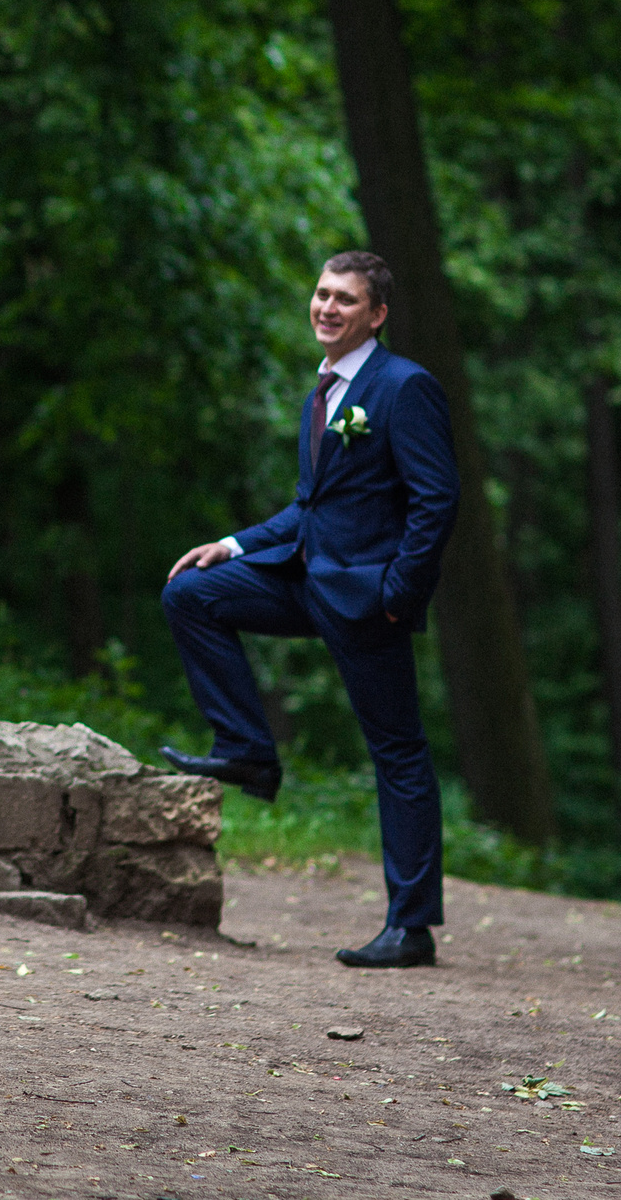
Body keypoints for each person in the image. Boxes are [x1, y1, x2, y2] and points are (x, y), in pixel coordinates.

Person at [158, 251, 456, 969]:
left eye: (345, 299)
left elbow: (436, 500)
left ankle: (409, 927)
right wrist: (232, 544)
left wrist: (397, 598)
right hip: (303, 579)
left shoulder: (403, 386)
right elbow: (310, 506)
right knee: (191, 592)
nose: (326, 307)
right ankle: (249, 751)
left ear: (376, 314)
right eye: (322, 293)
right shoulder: (323, 388)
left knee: (399, 754)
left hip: (365, 601)